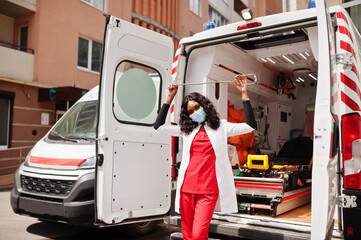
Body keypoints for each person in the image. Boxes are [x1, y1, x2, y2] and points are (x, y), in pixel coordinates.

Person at [154, 75, 256, 240]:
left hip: (208, 191)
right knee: (187, 236)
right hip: (187, 189)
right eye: (190, 111)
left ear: (204, 106)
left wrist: (244, 93)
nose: (195, 112)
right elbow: (158, 126)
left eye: (197, 107)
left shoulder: (222, 127)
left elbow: (250, 126)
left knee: (198, 235)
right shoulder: (187, 130)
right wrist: (169, 97)